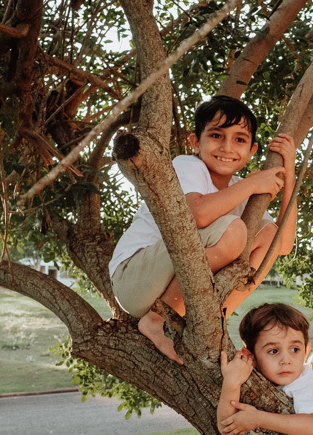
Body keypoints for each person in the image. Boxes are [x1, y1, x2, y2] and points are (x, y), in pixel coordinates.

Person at [108, 95, 298, 364]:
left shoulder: (241, 188)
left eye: (239, 139)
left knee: (267, 236)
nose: (228, 147)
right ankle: (155, 322)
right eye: (217, 136)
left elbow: (284, 243)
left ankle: (216, 317)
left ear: (252, 150)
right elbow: (197, 213)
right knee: (234, 231)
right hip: (135, 278)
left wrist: (288, 173)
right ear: (195, 142)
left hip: (172, 287)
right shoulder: (188, 165)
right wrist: (253, 184)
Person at [218, 303, 313, 435]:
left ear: (306, 352)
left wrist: (258, 419)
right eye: (273, 351)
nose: (286, 360)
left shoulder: (308, 382)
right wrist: (231, 383)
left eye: (294, 350)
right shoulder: (247, 375)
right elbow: (226, 426)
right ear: (251, 356)